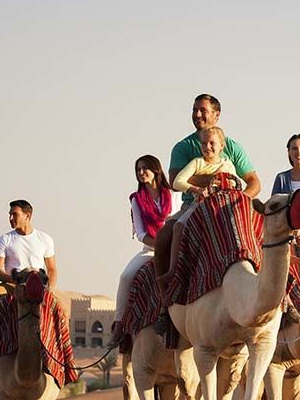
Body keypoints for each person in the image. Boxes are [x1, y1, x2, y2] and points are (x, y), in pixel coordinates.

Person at [153, 94, 260, 290]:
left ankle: (281, 294)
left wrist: (239, 200)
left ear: (216, 115)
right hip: (193, 204)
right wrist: (214, 182)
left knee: (269, 233)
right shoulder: (183, 147)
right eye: (194, 110)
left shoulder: (232, 148)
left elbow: (254, 182)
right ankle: (165, 298)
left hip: (229, 206)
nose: (197, 114)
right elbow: (175, 181)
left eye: (203, 110)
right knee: (163, 238)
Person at [0, 199, 57, 372]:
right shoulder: (5, 239)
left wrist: (49, 288)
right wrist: (16, 280)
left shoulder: (45, 239)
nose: (10, 218)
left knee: (60, 312)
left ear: (27, 216)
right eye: (9, 214)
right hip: (12, 283)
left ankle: (62, 361)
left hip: (37, 285)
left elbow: (52, 269)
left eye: (14, 214)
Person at [158, 127, 241, 285]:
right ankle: (173, 269)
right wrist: (196, 189)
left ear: (222, 146)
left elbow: (236, 184)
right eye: (204, 143)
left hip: (221, 206)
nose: (207, 147)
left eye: (212, 143)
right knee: (178, 226)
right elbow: (177, 182)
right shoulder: (197, 163)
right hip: (199, 205)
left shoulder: (227, 165)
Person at [108, 154, 172, 347]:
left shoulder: (172, 195)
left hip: (174, 246)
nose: (141, 172)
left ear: (156, 170)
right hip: (150, 249)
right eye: (138, 170)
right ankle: (119, 326)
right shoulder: (137, 200)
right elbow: (140, 233)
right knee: (126, 277)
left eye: (145, 168)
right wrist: (158, 245)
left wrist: (167, 244)